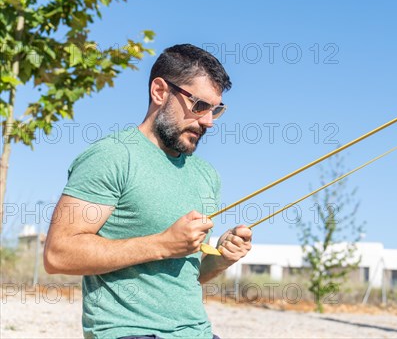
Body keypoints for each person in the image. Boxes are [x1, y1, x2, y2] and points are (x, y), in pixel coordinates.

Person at [43, 44, 252, 339]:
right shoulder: (112, 156)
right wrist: (163, 243)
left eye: (215, 110)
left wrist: (220, 259)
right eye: (200, 106)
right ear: (159, 92)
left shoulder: (207, 175)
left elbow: (186, 277)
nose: (208, 121)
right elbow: (57, 255)